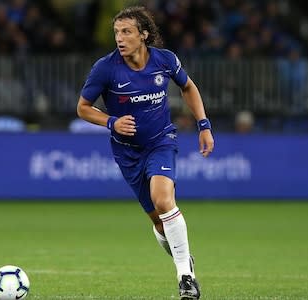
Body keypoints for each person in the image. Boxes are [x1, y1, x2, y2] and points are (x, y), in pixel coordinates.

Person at [76, 6, 214, 300]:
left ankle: (185, 277)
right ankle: (184, 259)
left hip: (161, 141)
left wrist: (204, 125)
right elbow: (83, 108)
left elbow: (188, 87)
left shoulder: (165, 61)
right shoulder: (106, 68)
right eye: (116, 32)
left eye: (126, 32)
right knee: (158, 221)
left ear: (144, 35)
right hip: (127, 153)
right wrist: (111, 121)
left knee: (163, 199)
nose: (120, 38)